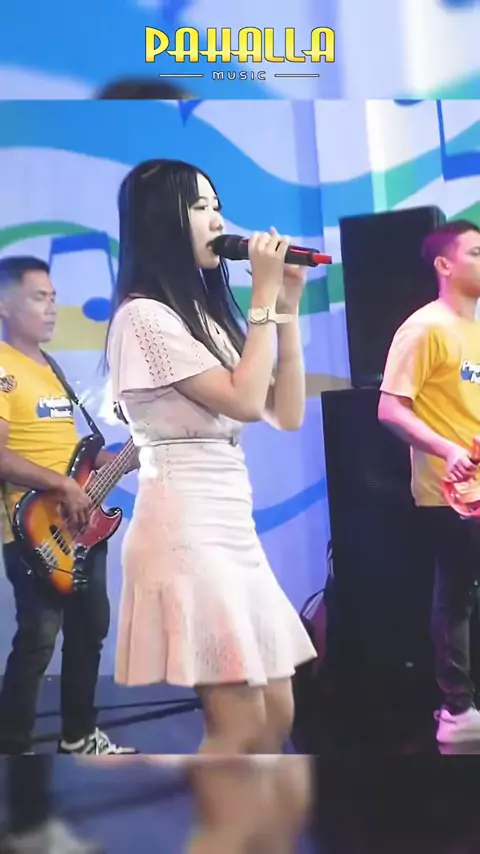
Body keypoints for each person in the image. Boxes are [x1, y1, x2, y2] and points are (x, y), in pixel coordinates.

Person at [106, 158, 317, 755]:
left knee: (277, 713)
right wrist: (264, 293)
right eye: (200, 207)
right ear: (161, 220)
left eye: (217, 206)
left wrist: (287, 307)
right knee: (240, 725)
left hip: (231, 527)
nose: (218, 220)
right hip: (185, 527)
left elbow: (285, 413)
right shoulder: (143, 317)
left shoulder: (200, 316)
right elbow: (245, 401)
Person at [0, 255, 136, 755]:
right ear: (4, 305)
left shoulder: (51, 369)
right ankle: (11, 750)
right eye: (40, 297)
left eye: (54, 297)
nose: (52, 307)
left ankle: (78, 736)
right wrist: (62, 486)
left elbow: (73, 451)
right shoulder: (3, 367)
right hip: (32, 529)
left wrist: (117, 459)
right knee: (38, 638)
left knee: (89, 629)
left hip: (81, 525)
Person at [378, 218, 480, 745]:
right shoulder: (424, 328)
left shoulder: (475, 329)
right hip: (452, 494)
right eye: (476, 252)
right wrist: (448, 450)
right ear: (444, 264)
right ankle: (457, 709)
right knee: (456, 597)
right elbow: (390, 409)